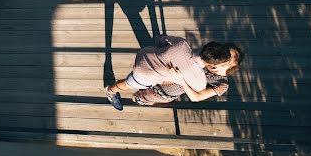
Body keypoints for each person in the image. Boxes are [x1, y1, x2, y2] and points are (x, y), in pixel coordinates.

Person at [104, 36, 243, 110]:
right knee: (130, 83)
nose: (222, 62)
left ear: (230, 69)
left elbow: (197, 97)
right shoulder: (199, 77)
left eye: (225, 62)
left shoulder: (221, 84)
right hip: (149, 74)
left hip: (163, 91)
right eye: (224, 57)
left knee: (141, 97)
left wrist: (179, 79)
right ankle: (111, 90)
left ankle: (140, 98)